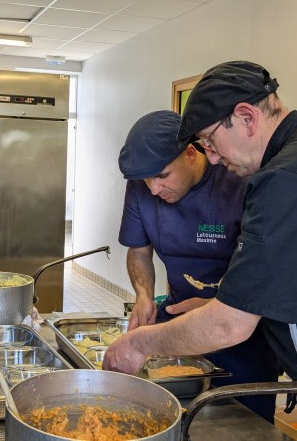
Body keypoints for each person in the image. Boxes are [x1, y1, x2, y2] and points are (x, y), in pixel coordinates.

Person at [103, 61, 297, 417]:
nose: (213, 155)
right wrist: (145, 297)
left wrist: (139, 344)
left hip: (241, 335)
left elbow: (229, 322)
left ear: (246, 117)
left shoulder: (278, 179)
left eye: (210, 140)